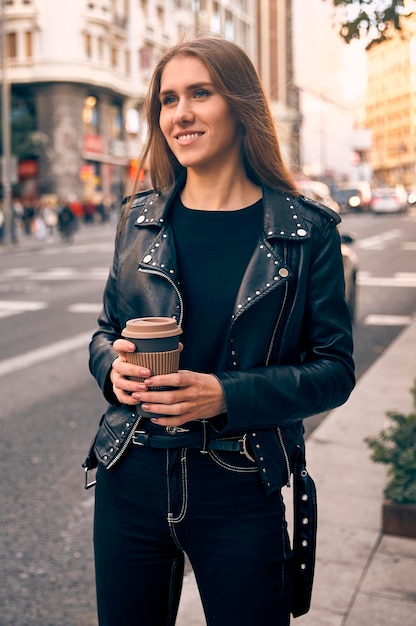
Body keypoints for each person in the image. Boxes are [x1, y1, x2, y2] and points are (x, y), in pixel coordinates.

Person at [85, 35, 355, 626]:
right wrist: (114, 368)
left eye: (200, 94)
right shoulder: (140, 218)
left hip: (238, 480)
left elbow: (335, 370)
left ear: (240, 105)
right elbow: (105, 331)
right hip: (130, 474)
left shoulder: (307, 231)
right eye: (167, 99)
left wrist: (227, 394)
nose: (179, 113)